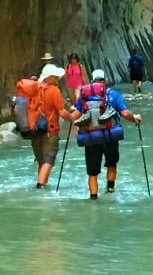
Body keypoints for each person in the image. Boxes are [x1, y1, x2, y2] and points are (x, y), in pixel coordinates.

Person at [71, 69, 141, 199]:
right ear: (105, 80)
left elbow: (74, 116)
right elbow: (125, 113)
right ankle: (110, 189)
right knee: (111, 164)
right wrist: (135, 119)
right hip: (110, 136)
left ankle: (93, 198)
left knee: (92, 173)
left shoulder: (84, 96)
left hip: (91, 138)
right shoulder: (113, 94)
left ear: (92, 81)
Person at [20, 64, 66, 187]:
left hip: (34, 128)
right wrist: (73, 118)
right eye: (55, 76)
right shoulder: (53, 90)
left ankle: (42, 183)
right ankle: (40, 185)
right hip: (49, 130)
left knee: (41, 161)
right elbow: (61, 111)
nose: (57, 79)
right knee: (48, 160)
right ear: (49, 77)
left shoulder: (34, 89)